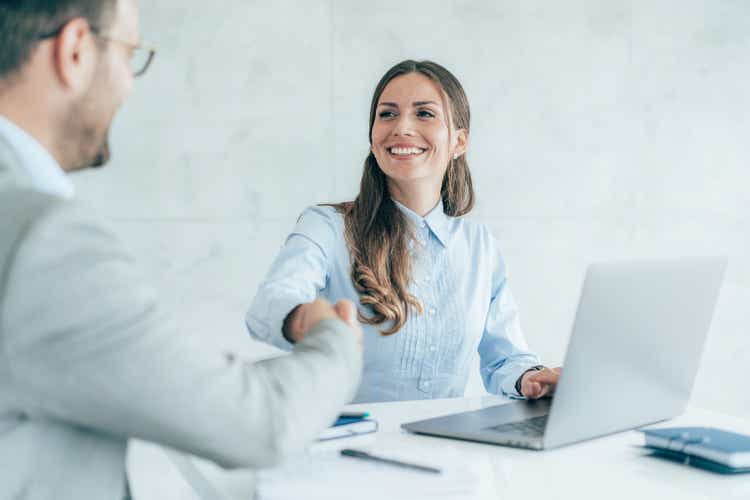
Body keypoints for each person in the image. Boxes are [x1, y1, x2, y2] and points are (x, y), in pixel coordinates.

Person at [0, 1, 363, 499]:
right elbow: (260, 425)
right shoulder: (41, 240)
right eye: (131, 55)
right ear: (76, 51)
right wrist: (334, 339)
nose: (129, 84)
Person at [246, 59, 560, 403]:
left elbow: (506, 359)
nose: (402, 128)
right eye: (387, 114)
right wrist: (306, 319)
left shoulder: (478, 245)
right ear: (372, 136)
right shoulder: (327, 226)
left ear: (459, 141)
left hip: (443, 444)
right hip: (343, 446)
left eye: (424, 114)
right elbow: (268, 307)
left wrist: (531, 379)